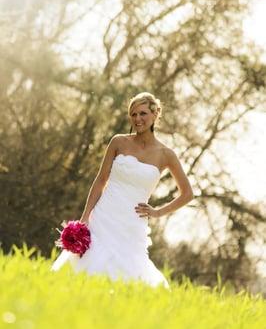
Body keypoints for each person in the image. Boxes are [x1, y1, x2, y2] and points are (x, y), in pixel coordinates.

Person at [51, 92, 194, 289]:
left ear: (155, 115)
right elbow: (101, 180)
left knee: (127, 276)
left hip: (132, 223)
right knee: (87, 268)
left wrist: (157, 212)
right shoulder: (118, 142)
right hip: (104, 215)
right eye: (133, 114)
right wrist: (85, 217)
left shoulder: (166, 155)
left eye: (143, 113)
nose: (137, 119)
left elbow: (188, 194)